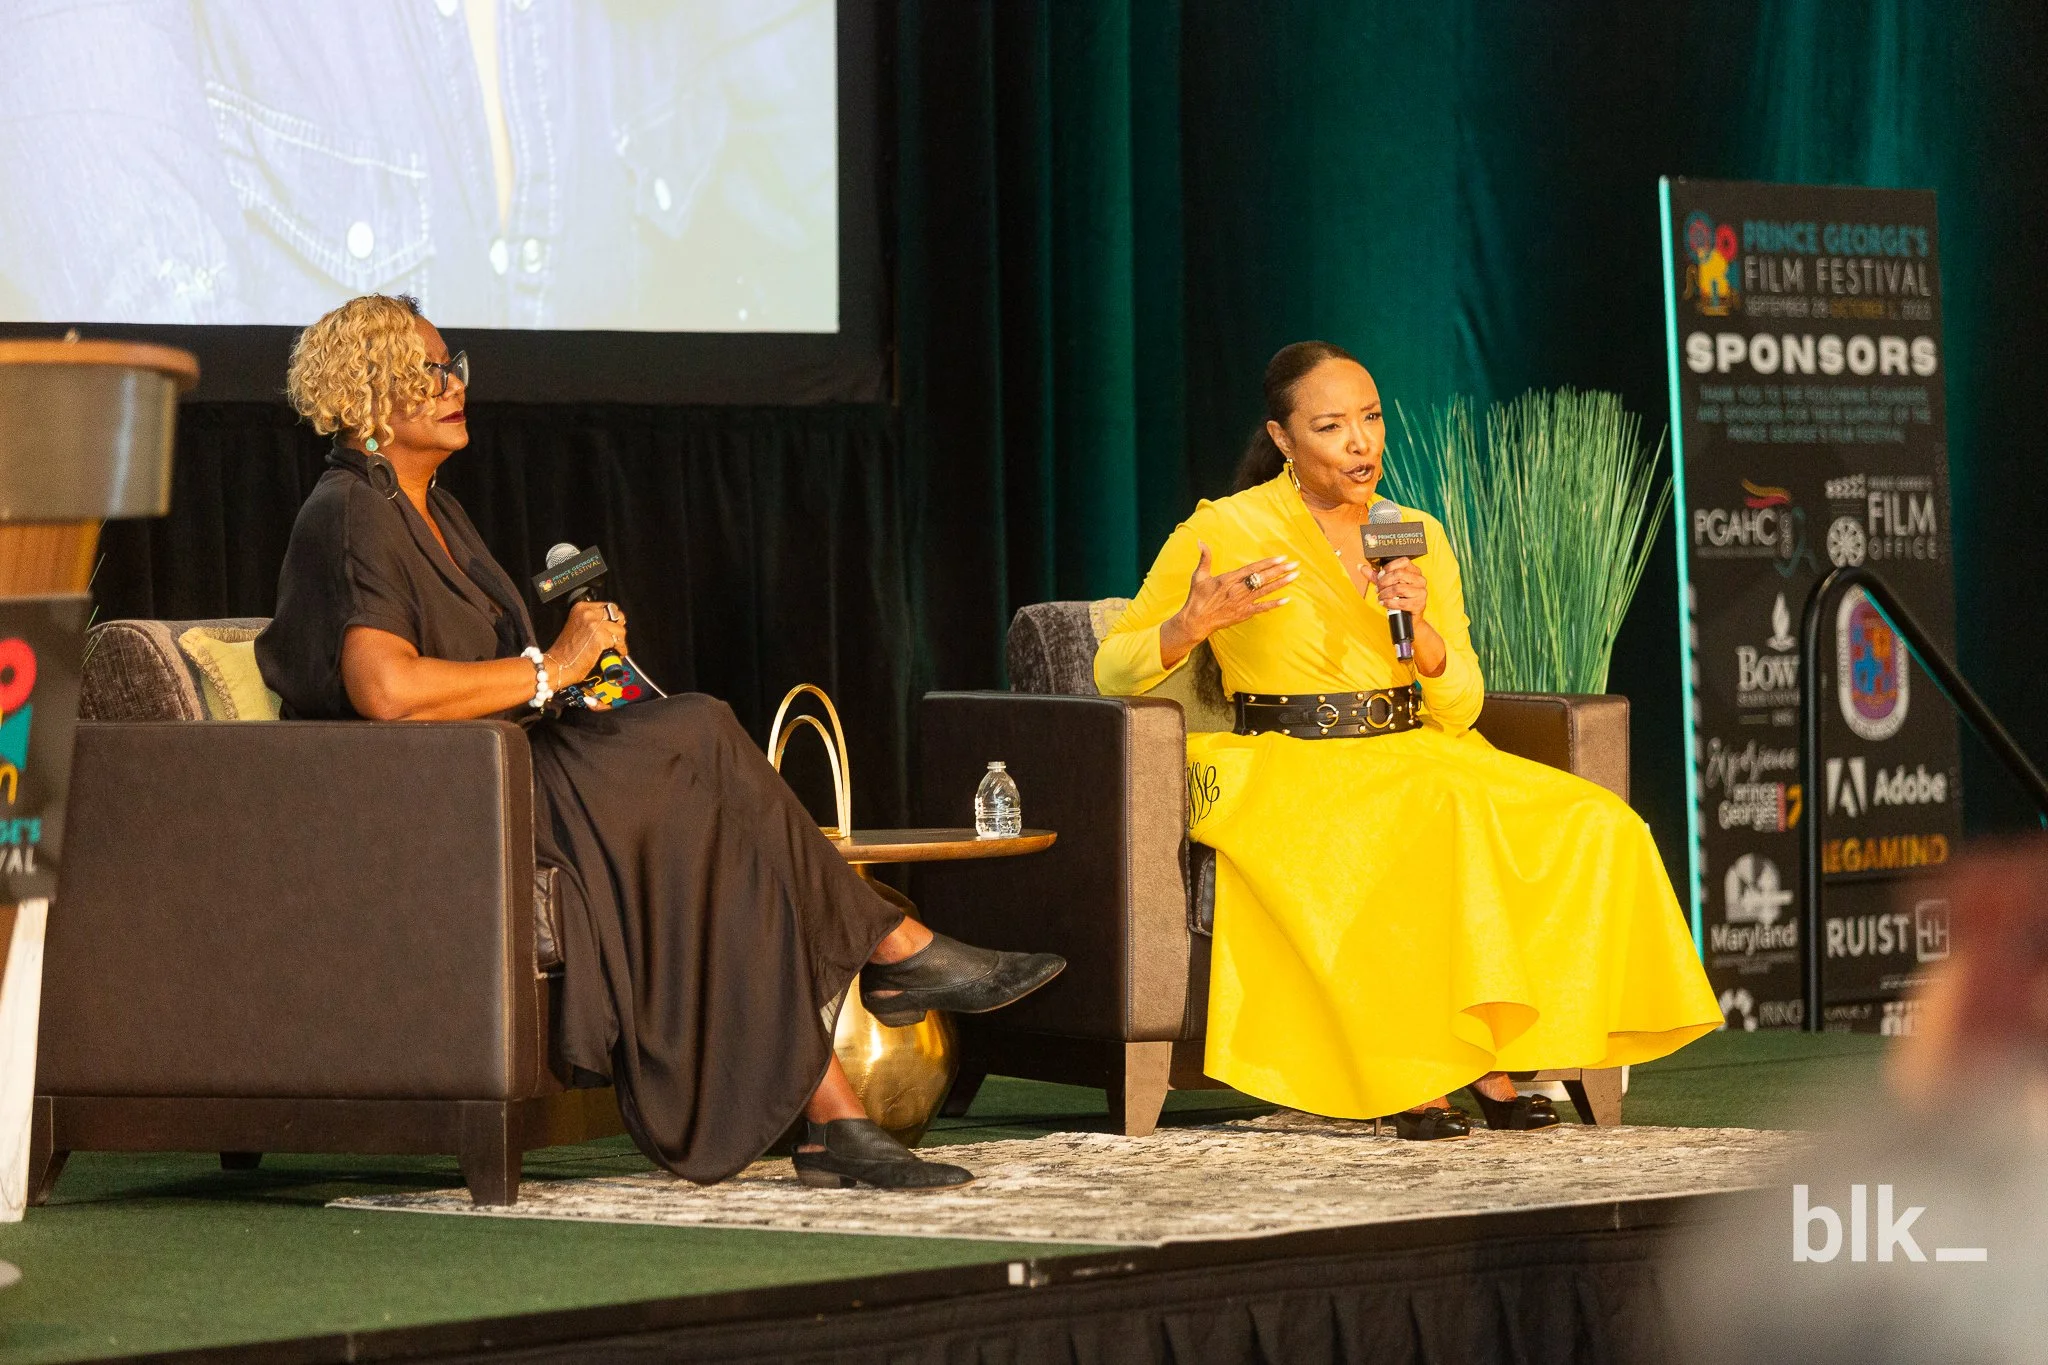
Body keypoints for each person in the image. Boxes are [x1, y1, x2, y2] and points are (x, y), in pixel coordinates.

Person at [255, 293, 1064, 1189]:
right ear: (370, 391)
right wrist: (551, 667)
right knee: (699, 735)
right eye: (433, 371)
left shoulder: (433, 510)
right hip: (442, 804)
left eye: (455, 366)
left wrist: (577, 672)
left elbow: (489, 674)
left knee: (703, 770)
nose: (456, 385)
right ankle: (892, 953)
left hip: (505, 769)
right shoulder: (349, 511)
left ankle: (836, 1112)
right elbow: (386, 690)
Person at [1095, 341, 1720, 1139]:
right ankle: (1424, 1073)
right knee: (1430, 814)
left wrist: (1419, 630)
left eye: (1371, 417)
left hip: (1412, 746)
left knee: (1598, 821)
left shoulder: (1413, 532)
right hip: (1286, 759)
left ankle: (1501, 1049)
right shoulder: (1226, 527)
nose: (1361, 442)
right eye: (1331, 426)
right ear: (1283, 439)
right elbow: (1112, 668)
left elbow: (1462, 705)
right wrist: (1189, 625)